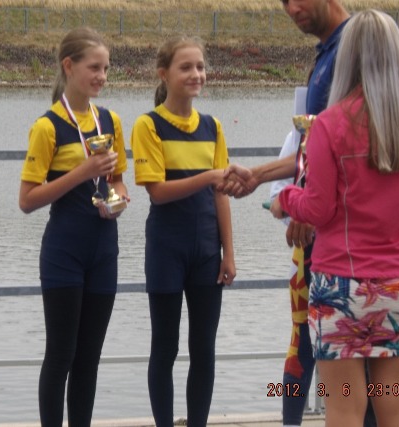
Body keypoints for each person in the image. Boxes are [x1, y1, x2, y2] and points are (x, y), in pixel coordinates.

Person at [270, 9, 399, 427]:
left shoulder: (330, 125)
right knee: (396, 404)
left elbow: (318, 209)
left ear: (348, 57)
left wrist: (286, 199)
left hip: (341, 288)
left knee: (344, 406)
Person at [219, 1, 369, 426]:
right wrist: (259, 175)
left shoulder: (354, 47)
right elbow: (312, 150)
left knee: (359, 373)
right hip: (325, 241)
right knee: (305, 344)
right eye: (284, 1)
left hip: (349, 245)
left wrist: (311, 203)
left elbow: (357, 148)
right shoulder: (326, 54)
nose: (292, 8)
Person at [18, 27, 129, 427]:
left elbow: (118, 181)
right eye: (94, 68)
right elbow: (27, 200)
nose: (102, 76)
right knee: (61, 355)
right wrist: (82, 172)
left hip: (104, 249)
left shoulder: (110, 120)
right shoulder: (47, 127)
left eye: (106, 68)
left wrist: (117, 201)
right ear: (69, 66)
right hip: (64, 251)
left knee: (89, 358)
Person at [130, 35, 235, 427]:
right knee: (165, 348)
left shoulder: (212, 126)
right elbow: (157, 192)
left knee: (204, 349)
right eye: (186, 67)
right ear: (164, 74)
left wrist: (229, 252)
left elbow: (221, 194)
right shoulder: (149, 125)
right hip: (167, 249)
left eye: (200, 67)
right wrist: (208, 176)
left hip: (207, 249)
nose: (196, 74)